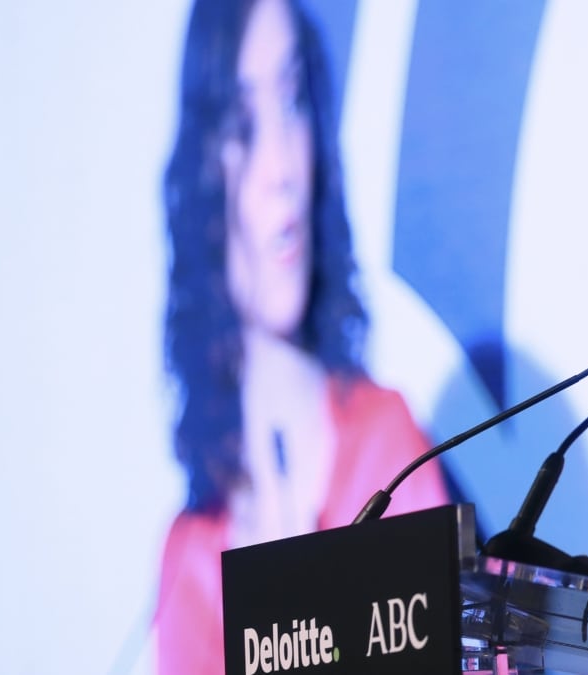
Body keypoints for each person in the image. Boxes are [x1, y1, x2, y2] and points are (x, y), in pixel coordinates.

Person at [153, 1, 452, 673]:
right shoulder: (189, 562)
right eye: (240, 124)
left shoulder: (387, 446)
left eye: (292, 102)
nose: (281, 167)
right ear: (199, 173)